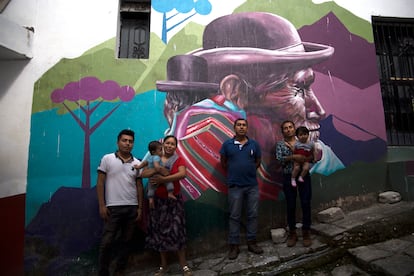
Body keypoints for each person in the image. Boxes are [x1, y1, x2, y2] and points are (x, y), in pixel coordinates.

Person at [157, 12, 344, 203]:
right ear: (236, 92)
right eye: (298, 89)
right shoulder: (199, 142)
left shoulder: (321, 157)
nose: (319, 110)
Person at [142, 135, 193, 276]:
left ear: (176, 147)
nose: (170, 146)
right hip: (158, 202)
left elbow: (182, 174)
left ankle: (184, 266)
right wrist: (156, 171)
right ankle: (163, 266)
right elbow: (143, 173)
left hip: (174, 201)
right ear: (163, 144)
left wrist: (164, 179)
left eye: (173, 144)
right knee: (159, 233)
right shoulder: (154, 158)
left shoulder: (178, 159)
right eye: (168, 143)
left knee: (178, 231)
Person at [96, 129, 144, 276]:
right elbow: (100, 183)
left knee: (127, 242)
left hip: (132, 208)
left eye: (130, 141)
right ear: (118, 142)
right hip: (112, 209)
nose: (127, 144)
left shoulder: (137, 163)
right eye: (124, 140)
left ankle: (120, 270)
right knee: (107, 242)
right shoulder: (107, 159)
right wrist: (102, 205)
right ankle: (103, 272)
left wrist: (140, 208)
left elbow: (139, 186)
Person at [220, 118, 264, 260]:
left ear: (247, 128)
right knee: (234, 216)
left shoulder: (254, 144)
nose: (241, 127)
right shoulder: (227, 145)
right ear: (234, 128)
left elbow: (258, 161)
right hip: (235, 186)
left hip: (252, 185)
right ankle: (234, 245)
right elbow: (223, 162)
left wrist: (249, 170)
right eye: (239, 125)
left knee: (252, 214)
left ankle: (252, 242)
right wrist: (235, 171)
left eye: (244, 125)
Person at [276, 121, 313, 247]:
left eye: (290, 127)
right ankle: (292, 233)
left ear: (294, 129)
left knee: (305, 202)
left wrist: (299, 157)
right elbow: (280, 160)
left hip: (303, 176)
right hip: (288, 176)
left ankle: (306, 232)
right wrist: (294, 156)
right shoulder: (280, 145)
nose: (288, 130)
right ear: (283, 131)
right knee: (290, 205)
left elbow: (309, 158)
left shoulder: (302, 142)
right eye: (285, 128)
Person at [136, 140, 176, 209]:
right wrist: (159, 169)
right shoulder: (156, 157)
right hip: (158, 175)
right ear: (154, 152)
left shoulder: (149, 158)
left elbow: (144, 163)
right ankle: (170, 193)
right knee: (169, 183)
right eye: (160, 150)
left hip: (152, 178)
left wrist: (138, 167)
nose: (162, 151)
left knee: (151, 188)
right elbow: (157, 166)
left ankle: (151, 200)